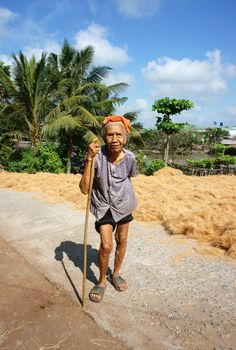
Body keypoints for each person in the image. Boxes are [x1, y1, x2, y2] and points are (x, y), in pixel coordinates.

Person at [79, 115, 137, 303]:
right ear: (104, 137)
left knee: (122, 240)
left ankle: (116, 273)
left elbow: (129, 178)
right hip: (103, 205)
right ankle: (102, 280)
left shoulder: (130, 158)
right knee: (106, 245)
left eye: (118, 135)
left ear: (125, 138)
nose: (114, 140)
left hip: (124, 203)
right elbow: (84, 189)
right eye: (110, 135)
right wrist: (88, 159)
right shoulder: (96, 157)